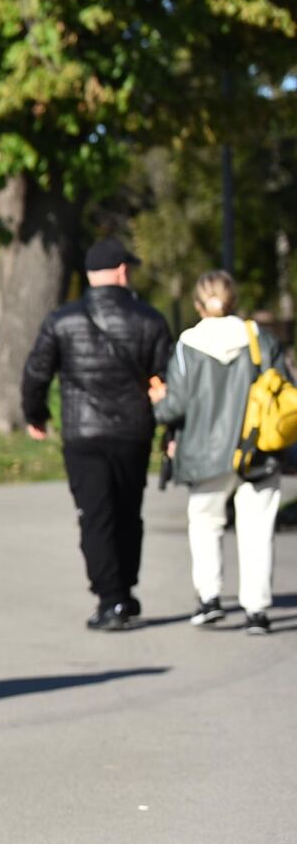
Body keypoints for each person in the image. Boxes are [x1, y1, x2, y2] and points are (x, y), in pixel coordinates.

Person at [22, 237, 171, 631]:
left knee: (96, 516)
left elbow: (36, 373)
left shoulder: (61, 320)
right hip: (134, 432)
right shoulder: (150, 319)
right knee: (127, 512)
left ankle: (110, 600)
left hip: (83, 434)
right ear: (122, 270)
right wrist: (171, 427)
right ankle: (124, 590)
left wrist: (36, 415)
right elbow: (169, 380)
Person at [149, 270, 286, 635]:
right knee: (257, 530)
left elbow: (174, 407)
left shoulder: (187, 344)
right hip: (258, 450)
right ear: (234, 300)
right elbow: (282, 390)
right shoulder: (260, 339)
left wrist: (158, 404)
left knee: (206, 524)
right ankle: (256, 609)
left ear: (198, 304)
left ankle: (209, 599)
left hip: (204, 453)